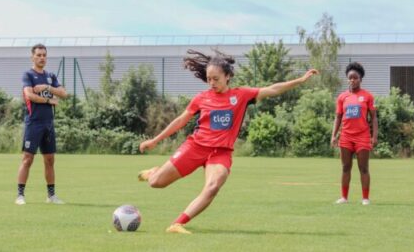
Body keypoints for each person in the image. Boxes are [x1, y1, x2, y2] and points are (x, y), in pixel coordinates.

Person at [138, 49, 319, 233]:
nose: (211, 82)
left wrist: (300, 80)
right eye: (209, 78)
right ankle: (154, 172)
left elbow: (272, 89)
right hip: (195, 147)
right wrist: (155, 140)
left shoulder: (241, 95)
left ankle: (177, 224)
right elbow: (180, 121)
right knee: (156, 183)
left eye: (216, 78)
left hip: (221, 153)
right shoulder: (201, 98)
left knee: (213, 186)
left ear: (228, 76)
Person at [15, 44, 68, 205]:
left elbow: (64, 93)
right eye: (38, 55)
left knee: (50, 160)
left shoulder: (50, 76)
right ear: (33, 57)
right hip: (34, 123)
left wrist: (47, 87)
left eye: (44, 55)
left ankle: (51, 196)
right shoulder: (28, 75)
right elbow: (29, 95)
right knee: (27, 159)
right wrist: (48, 100)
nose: (42, 57)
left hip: (48, 124)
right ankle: (20, 195)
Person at [331, 62, 378, 205]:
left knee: (363, 168)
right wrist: (333, 135)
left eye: (355, 78)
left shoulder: (367, 96)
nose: (352, 80)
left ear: (360, 79)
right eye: (350, 78)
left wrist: (374, 136)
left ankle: (365, 198)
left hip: (362, 136)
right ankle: (344, 197)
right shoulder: (342, 97)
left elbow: (374, 117)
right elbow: (338, 117)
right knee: (345, 167)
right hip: (345, 136)